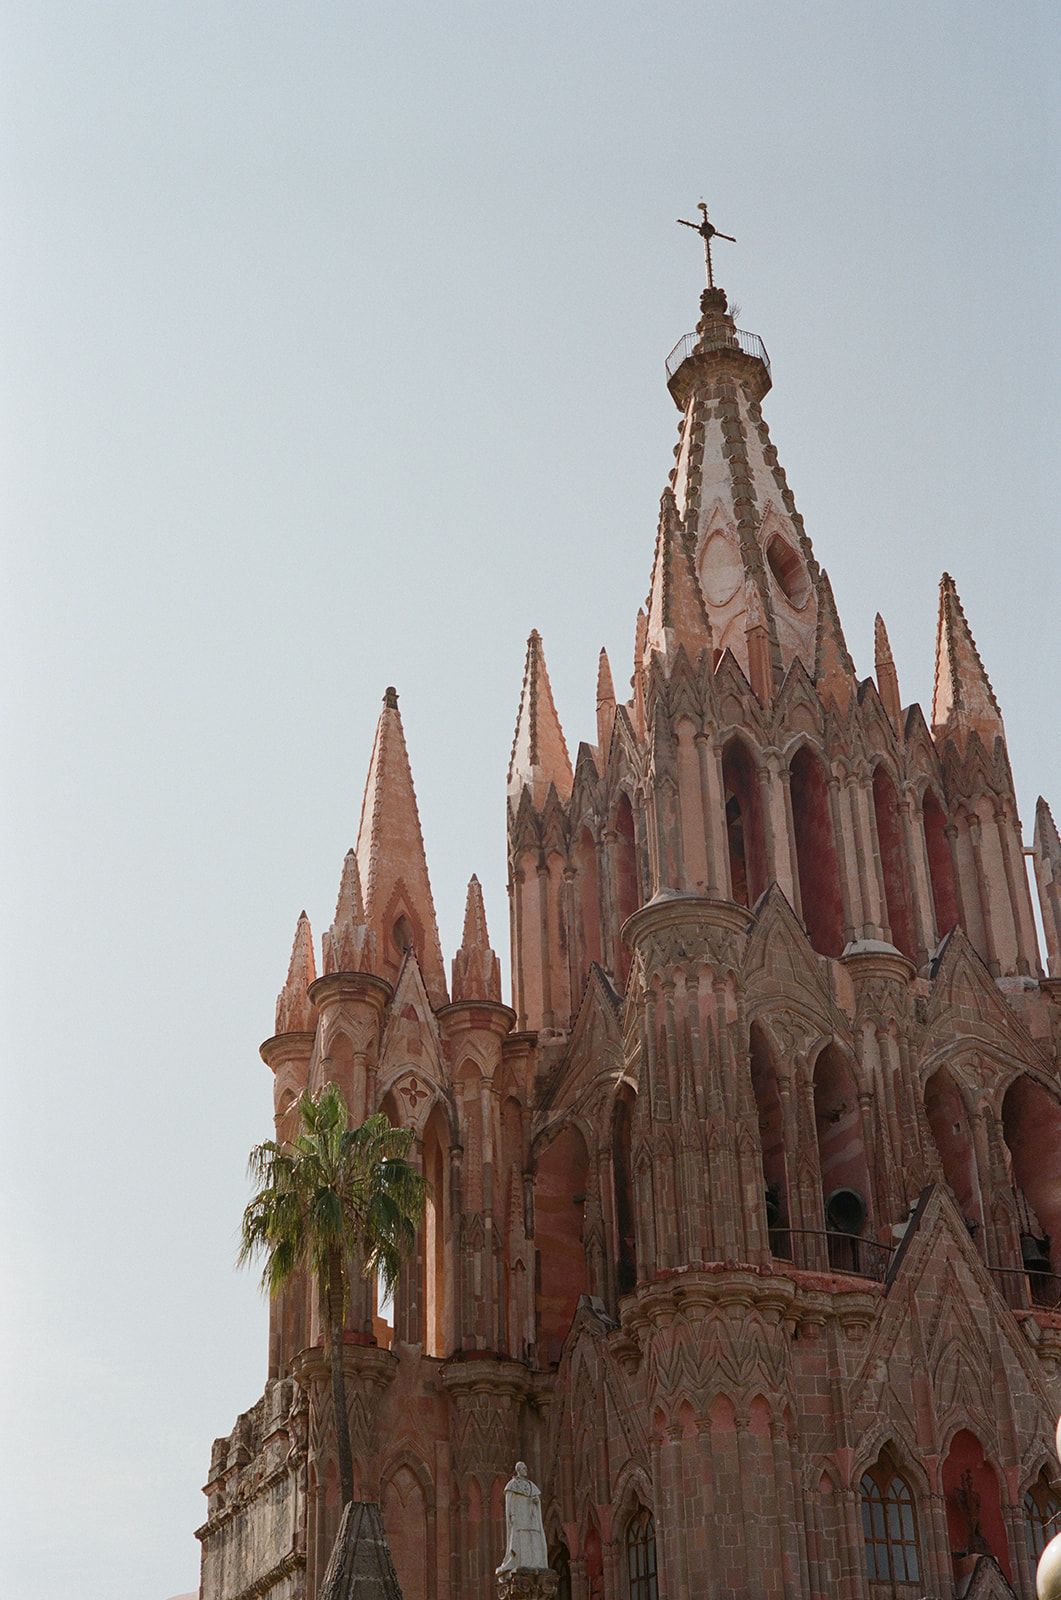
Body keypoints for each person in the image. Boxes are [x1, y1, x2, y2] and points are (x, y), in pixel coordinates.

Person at [496, 1462, 549, 1573]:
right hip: (520, 1517)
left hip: (530, 1517)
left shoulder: (531, 1485)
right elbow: (509, 1503)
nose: (525, 1470)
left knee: (532, 1537)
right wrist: (512, 1515)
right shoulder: (512, 1485)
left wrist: (536, 1501)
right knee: (520, 1538)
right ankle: (520, 1560)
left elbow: (536, 1499)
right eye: (523, 1468)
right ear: (518, 1470)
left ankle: (534, 1561)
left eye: (526, 1468)